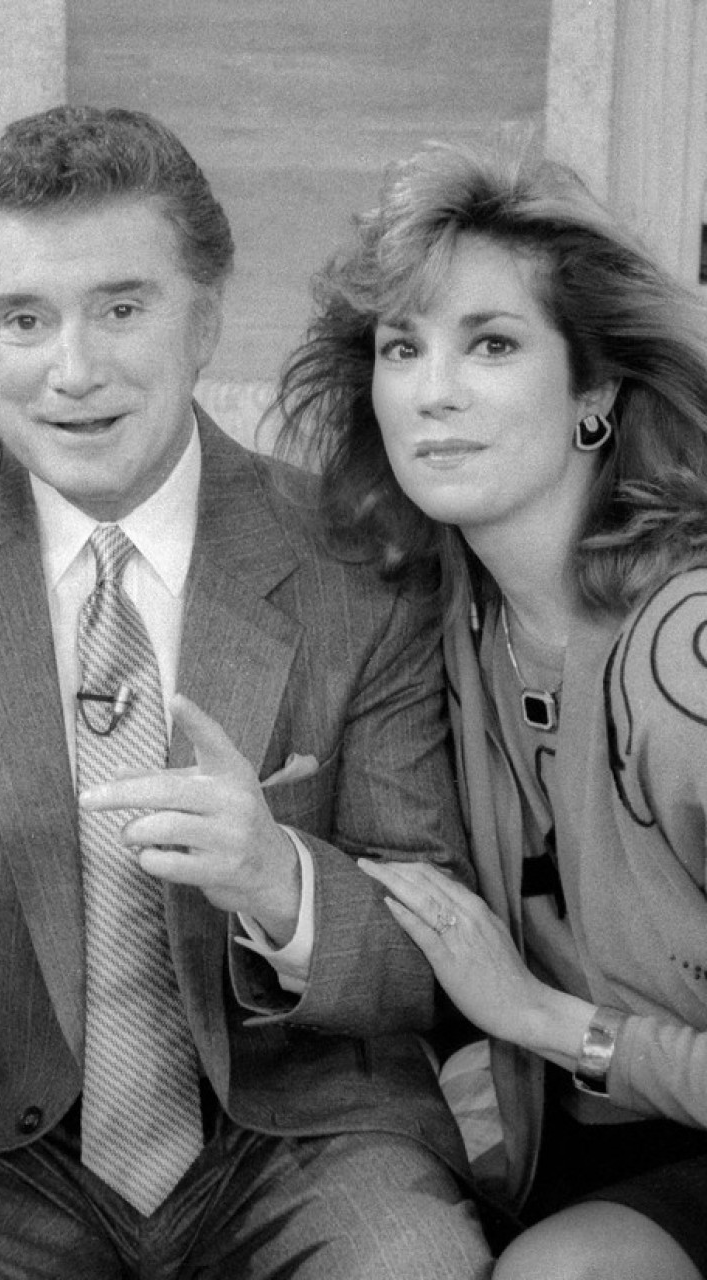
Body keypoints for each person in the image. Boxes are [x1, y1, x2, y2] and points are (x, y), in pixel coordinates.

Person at [0, 104, 492, 1280]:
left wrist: (280, 880)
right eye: (23, 318)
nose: (73, 370)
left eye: (120, 308)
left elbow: (427, 950)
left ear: (205, 315)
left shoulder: (360, 561)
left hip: (298, 1131)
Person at [275, 137, 707, 1280]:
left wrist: (531, 1017)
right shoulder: (446, 611)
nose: (433, 391)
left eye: (491, 343)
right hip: (568, 1136)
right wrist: (19, 465)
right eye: (400, 346)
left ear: (592, 392)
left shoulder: (687, 650)